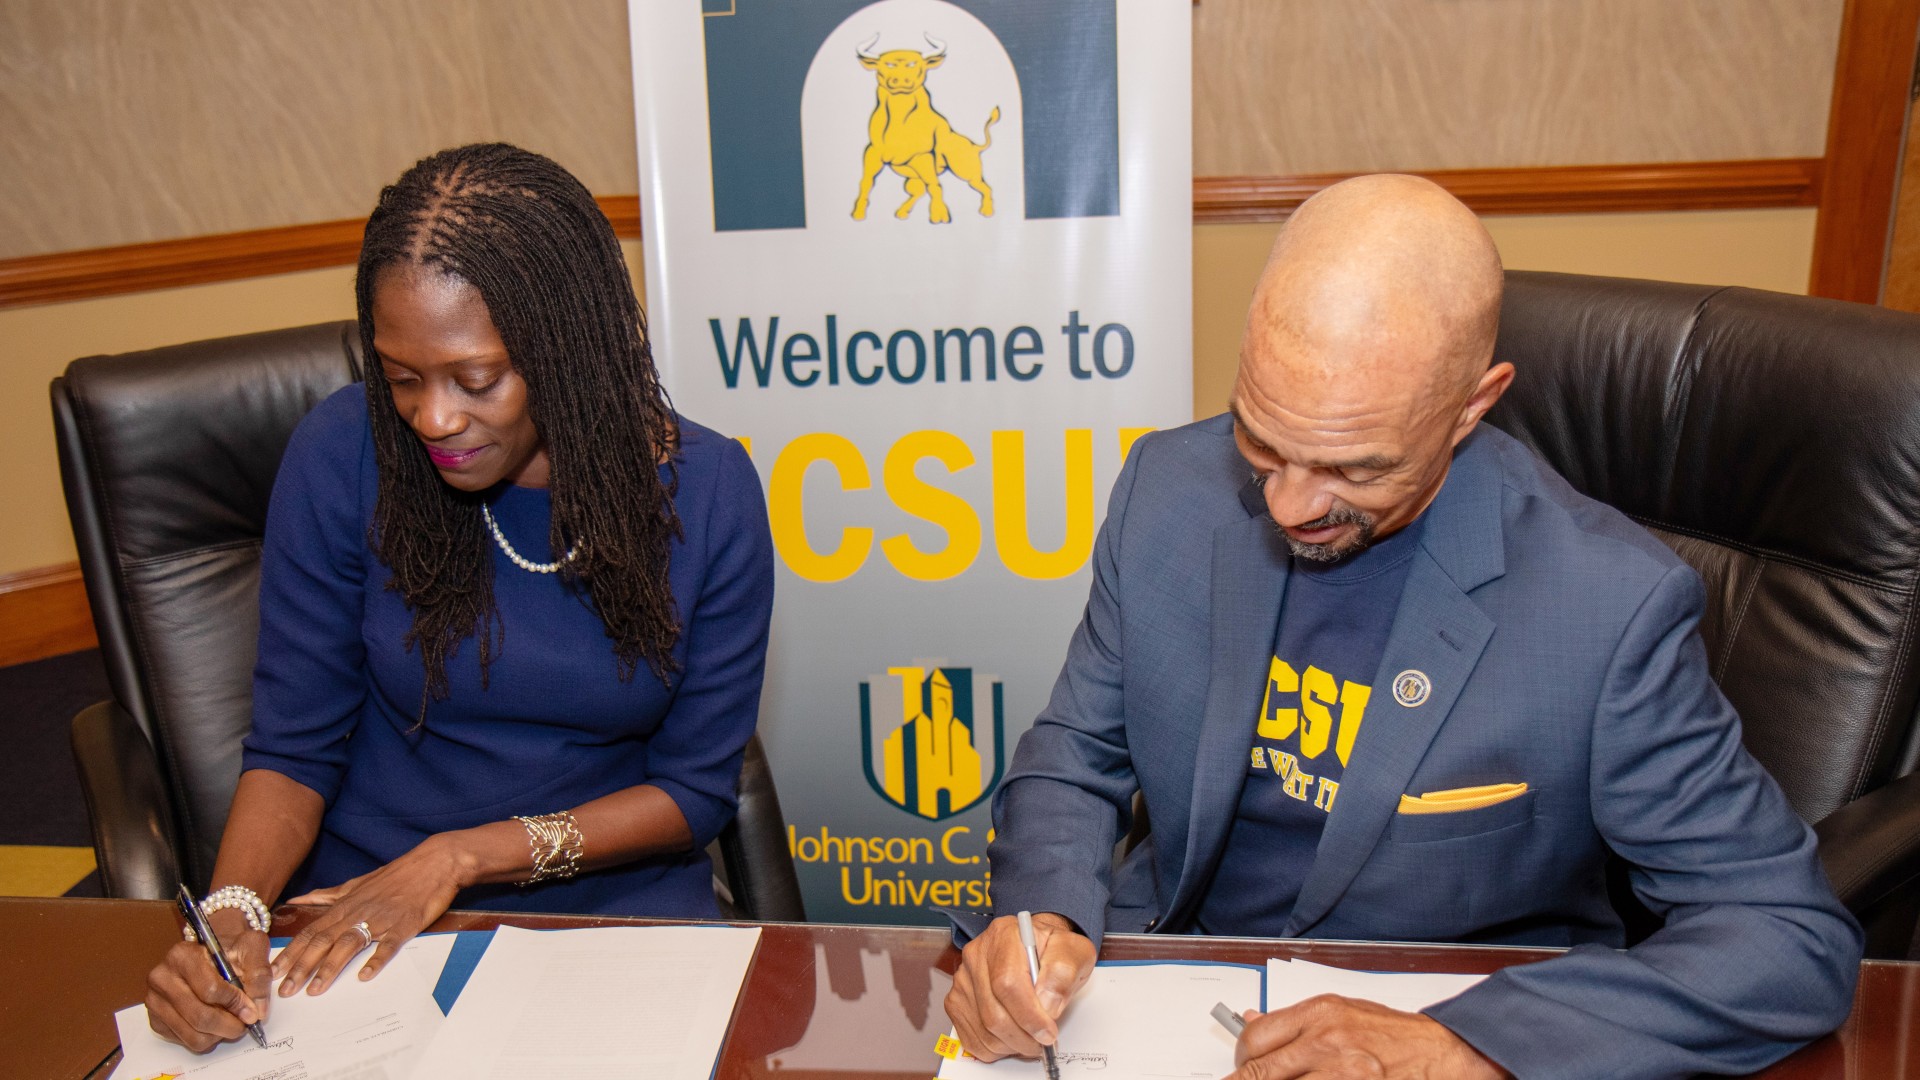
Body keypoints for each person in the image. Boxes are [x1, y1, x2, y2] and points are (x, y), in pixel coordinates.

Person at [943, 174, 1862, 1079]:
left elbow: (1787, 937)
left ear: (1473, 404)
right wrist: (1040, 917)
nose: (1289, 504)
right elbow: (1073, 753)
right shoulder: (1167, 494)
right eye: (1261, 439)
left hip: (1436, 1019)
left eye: (1355, 467)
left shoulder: (1608, 608)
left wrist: (1463, 1047)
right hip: (1165, 1011)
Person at [142, 143, 775, 1052]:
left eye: (475, 380)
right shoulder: (341, 456)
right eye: (402, 377)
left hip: (610, 918)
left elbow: (692, 791)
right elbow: (294, 743)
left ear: (569, 354)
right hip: (365, 921)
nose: (433, 418)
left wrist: (461, 854)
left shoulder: (709, 495)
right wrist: (235, 908)